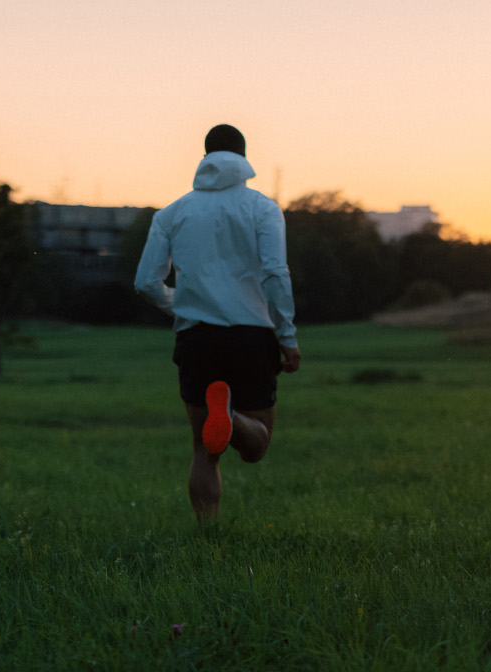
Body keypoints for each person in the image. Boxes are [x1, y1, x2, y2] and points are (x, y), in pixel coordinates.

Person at [135, 124, 301, 521]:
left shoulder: (172, 214)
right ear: (244, 157)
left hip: (196, 338)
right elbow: (276, 273)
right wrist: (287, 335)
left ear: (204, 155)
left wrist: (180, 302)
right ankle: (233, 418)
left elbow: (145, 282)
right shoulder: (263, 208)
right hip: (252, 336)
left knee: (203, 451)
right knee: (256, 447)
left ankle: (208, 534)